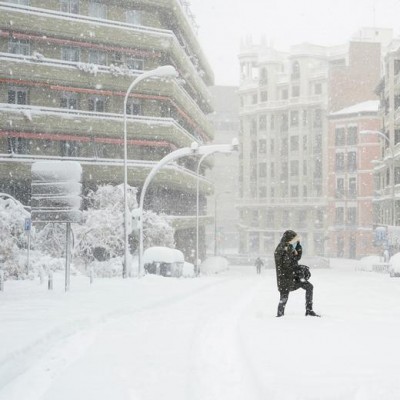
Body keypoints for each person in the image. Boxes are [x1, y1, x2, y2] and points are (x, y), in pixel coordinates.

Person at [274, 230, 320, 317]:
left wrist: (298, 246)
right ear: (289, 239)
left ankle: (309, 310)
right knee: (284, 297)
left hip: (293, 277)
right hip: (285, 279)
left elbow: (296, 258)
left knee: (309, 287)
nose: (295, 241)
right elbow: (286, 265)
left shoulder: (288, 247)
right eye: (295, 240)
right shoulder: (282, 248)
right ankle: (280, 315)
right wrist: (299, 268)